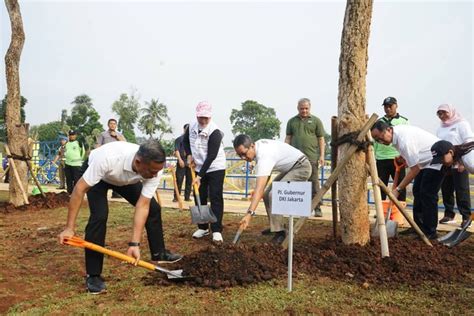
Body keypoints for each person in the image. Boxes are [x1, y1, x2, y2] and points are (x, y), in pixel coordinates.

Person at [58, 140, 182, 294]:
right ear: (138, 162)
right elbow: (79, 189)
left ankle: (159, 252)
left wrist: (134, 244)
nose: (155, 175)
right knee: (100, 216)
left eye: (158, 171)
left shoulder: (153, 168)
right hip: (101, 176)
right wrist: (69, 228)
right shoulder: (107, 159)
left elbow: (143, 205)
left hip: (122, 178)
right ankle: (93, 275)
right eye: (152, 172)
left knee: (153, 208)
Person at [233, 134, 312, 244]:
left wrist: (249, 214)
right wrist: (258, 192)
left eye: (244, 154)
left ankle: (280, 233)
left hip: (301, 167)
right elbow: (264, 179)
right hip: (290, 168)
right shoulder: (258, 147)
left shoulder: (264, 155)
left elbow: (259, 188)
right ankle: (275, 226)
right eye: (239, 155)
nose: (243, 158)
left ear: (251, 146)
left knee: (275, 195)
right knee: (266, 195)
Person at [371, 122, 444, 239]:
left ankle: (430, 231)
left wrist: (398, 189)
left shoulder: (404, 140)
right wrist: (404, 157)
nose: (381, 141)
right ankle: (418, 227)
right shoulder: (395, 137)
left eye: (380, 137)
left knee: (427, 194)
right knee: (417, 191)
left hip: (437, 160)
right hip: (424, 162)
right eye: (377, 140)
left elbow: (414, 170)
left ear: (388, 130)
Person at [183, 101, 226, 243]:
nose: (203, 120)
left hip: (215, 167)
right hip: (198, 165)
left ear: (210, 117)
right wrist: (189, 155)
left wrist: (200, 176)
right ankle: (203, 226)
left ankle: (217, 229)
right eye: (201, 117)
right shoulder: (191, 127)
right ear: (196, 115)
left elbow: (211, 156)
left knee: (215, 197)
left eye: (206, 118)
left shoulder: (215, 132)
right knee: (199, 196)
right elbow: (185, 142)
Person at [285, 98, 326, 218]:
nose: (304, 111)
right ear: (298, 108)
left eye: (306, 108)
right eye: (302, 108)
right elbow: (288, 138)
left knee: (314, 183)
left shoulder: (316, 121)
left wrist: (322, 155)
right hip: (295, 158)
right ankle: (299, 208)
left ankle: (317, 208)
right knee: (297, 183)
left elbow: (321, 139)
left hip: (312, 157)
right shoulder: (291, 121)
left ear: (310, 108)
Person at [435, 104, 473, 226]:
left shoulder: (461, 124)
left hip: (459, 161)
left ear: (450, 111)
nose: (442, 116)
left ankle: (466, 217)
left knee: (461, 190)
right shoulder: (440, 128)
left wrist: (463, 161)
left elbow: (469, 141)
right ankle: (449, 214)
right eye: (439, 113)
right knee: (446, 189)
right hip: (445, 162)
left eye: (444, 112)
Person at [431, 140, 474, 227]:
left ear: (451, 152)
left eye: (442, 159)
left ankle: (466, 216)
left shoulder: (469, 161)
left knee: (462, 190)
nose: (441, 162)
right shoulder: (459, 157)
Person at [374, 97, 409, 201]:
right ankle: (381, 210)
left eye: (390, 106)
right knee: (380, 186)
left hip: (398, 159)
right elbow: (373, 141)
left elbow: (407, 140)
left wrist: (405, 156)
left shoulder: (404, 121)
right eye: (386, 106)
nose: (388, 109)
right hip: (381, 158)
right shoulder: (379, 122)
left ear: (396, 106)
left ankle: (400, 209)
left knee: (400, 185)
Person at [96, 118, 126, 198]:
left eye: (114, 124)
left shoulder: (119, 134)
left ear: (116, 125)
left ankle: (115, 193)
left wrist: (116, 136)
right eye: (111, 123)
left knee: (116, 176)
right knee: (103, 175)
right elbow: (98, 145)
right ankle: (101, 194)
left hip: (116, 159)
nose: (112, 125)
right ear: (108, 125)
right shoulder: (103, 134)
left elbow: (125, 144)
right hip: (105, 158)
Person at [173, 124, 192, 202]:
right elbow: (176, 150)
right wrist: (180, 160)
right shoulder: (179, 139)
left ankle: (187, 197)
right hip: (181, 162)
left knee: (189, 181)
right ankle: (176, 197)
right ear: (184, 130)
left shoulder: (192, 140)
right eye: (187, 129)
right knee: (179, 180)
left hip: (189, 163)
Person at [64, 130, 85, 194]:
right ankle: (69, 192)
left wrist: (80, 159)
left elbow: (83, 151)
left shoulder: (78, 143)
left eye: (73, 135)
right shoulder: (67, 144)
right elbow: (65, 152)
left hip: (76, 164)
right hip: (68, 163)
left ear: (75, 135)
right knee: (68, 179)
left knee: (76, 179)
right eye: (70, 135)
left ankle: (76, 193)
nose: (71, 136)